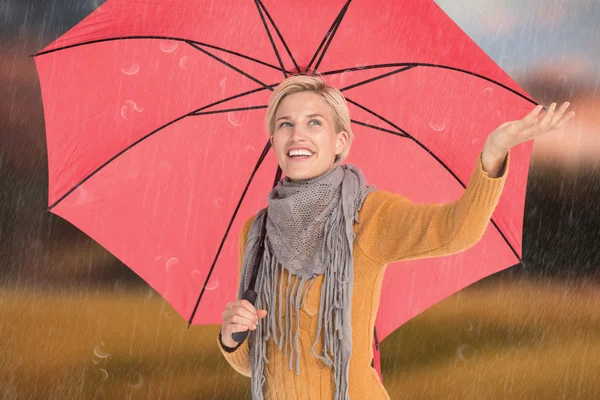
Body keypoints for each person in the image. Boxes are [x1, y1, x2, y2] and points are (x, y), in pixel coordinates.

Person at [216, 74, 574, 400]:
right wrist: (232, 336)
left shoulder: (368, 213)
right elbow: (259, 362)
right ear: (274, 139)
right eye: (285, 124)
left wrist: (494, 151)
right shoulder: (257, 232)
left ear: (340, 141)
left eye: (314, 122)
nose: (298, 135)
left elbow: (456, 230)